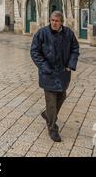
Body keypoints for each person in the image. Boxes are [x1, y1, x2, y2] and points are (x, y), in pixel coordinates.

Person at [30, 11, 80, 142]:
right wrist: (45, 67)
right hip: (48, 74)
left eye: (57, 21)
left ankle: (47, 115)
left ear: (62, 22)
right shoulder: (42, 33)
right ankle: (52, 128)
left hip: (63, 73)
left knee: (62, 96)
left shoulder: (68, 33)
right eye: (52, 20)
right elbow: (34, 51)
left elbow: (75, 48)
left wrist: (71, 64)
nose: (54, 23)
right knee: (51, 102)